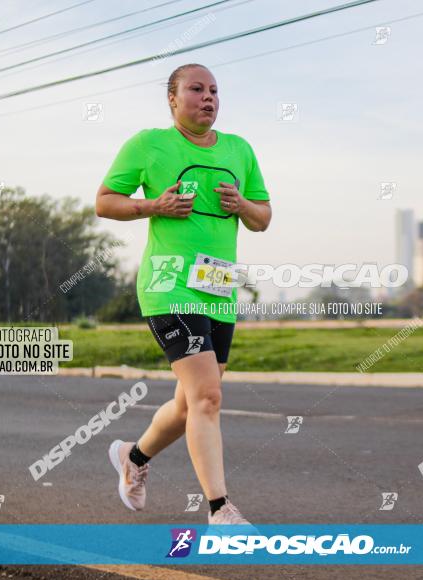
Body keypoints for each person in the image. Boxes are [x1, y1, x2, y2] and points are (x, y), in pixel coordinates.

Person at [95, 63, 272, 525]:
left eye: (214, 90)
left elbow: (263, 217)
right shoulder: (148, 144)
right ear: (172, 99)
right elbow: (104, 201)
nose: (208, 97)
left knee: (189, 402)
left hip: (218, 288)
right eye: (196, 89)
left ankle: (132, 458)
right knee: (208, 397)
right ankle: (220, 510)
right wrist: (154, 205)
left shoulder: (239, 149)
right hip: (169, 286)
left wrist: (242, 205)